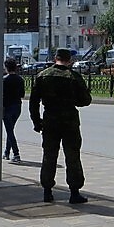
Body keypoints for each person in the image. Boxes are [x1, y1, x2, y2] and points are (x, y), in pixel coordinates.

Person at [29, 48, 93, 204]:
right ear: (69, 61)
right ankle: (74, 193)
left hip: (50, 121)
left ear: (55, 59)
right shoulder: (74, 77)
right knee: (72, 156)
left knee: (49, 156)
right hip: (70, 122)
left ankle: (47, 191)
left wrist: (37, 122)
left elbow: (33, 102)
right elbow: (85, 101)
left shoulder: (42, 76)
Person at [2, 58, 25, 163]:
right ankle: (7, 152)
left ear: (6, 67)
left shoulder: (4, 80)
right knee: (10, 130)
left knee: (9, 131)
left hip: (7, 107)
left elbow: (1, 95)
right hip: (17, 107)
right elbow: (22, 94)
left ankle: (16, 154)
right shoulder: (20, 79)